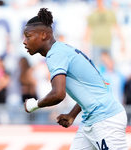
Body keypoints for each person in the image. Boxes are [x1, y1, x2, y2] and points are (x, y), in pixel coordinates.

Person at [23, 8, 128, 149]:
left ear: (43, 35)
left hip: (105, 119)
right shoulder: (62, 50)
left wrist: (34, 104)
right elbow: (89, 89)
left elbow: (58, 94)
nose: (24, 41)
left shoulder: (55, 55)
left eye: (28, 36)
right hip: (91, 119)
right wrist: (72, 115)